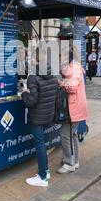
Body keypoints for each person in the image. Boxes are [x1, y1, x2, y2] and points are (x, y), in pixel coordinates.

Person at [22, 52, 58, 187]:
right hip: (48, 115)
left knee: (40, 145)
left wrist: (24, 93)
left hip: (37, 116)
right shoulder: (53, 75)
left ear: (36, 61)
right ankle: (46, 171)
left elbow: (31, 101)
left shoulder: (33, 78)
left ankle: (42, 177)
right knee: (43, 144)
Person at [57, 43, 88, 174]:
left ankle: (68, 162)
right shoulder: (72, 66)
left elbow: (72, 86)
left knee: (65, 134)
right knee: (72, 134)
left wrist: (61, 83)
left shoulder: (74, 67)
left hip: (73, 107)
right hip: (74, 106)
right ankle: (74, 161)